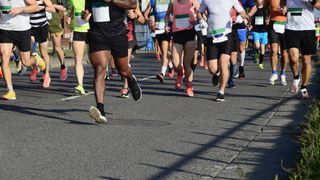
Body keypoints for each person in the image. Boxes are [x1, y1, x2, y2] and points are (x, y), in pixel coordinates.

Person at [83, 0, 142, 123]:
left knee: (123, 70)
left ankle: (130, 79)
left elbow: (132, 4)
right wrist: (86, 14)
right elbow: (88, 9)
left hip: (117, 33)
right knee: (100, 68)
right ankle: (100, 110)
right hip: (97, 33)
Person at [198, 0, 249, 101]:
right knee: (212, 68)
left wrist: (241, 17)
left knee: (224, 63)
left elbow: (243, 12)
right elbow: (199, 12)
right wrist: (201, 20)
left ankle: (221, 92)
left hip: (226, 36)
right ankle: (216, 74)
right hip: (212, 36)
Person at [0, 0, 46, 100]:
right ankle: (10, 90)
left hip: (22, 30)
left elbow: (35, 7)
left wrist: (21, 9)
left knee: (26, 62)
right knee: (4, 57)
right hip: (4, 29)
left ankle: (35, 59)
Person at [286, 0, 319, 99]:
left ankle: (304, 87)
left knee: (306, 60)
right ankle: (296, 77)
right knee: (293, 58)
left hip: (307, 28)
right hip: (291, 28)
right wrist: (283, 8)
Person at [165, 0, 199, 97]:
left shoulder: (193, 2)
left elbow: (201, 12)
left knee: (186, 63)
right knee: (176, 63)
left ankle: (189, 86)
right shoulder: (173, 3)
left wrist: (197, 20)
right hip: (177, 35)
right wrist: (167, 25)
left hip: (190, 34)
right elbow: (167, 15)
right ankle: (180, 74)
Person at [144, 0, 173, 83]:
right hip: (158, 30)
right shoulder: (153, 1)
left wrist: (173, 18)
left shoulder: (171, 1)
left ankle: (162, 73)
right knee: (164, 52)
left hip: (168, 29)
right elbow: (146, 14)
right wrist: (149, 20)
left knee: (164, 51)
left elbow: (177, 12)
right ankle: (170, 64)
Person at [29, 0, 55, 88]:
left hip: (42, 27)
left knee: (44, 53)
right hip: (30, 27)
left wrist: (43, 7)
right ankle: (36, 66)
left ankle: (47, 75)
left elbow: (53, 9)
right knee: (29, 50)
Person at [121, 5, 145, 98]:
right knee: (117, 64)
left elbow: (142, 20)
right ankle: (130, 79)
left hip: (129, 38)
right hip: (115, 36)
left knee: (125, 64)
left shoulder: (131, 3)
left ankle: (126, 88)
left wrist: (135, 16)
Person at [66, 0, 90, 95]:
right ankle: (80, 85)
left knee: (95, 58)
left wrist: (89, 16)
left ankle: (104, 71)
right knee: (78, 59)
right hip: (78, 29)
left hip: (91, 29)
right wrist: (70, 17)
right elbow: (74, 7)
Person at [231, 0, 256, 80]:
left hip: (240, 25)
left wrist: (246, 16)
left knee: (241, 47)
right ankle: (232, 69)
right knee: (230, 48)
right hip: (228, 25)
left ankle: (241, 67)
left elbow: (254, 7)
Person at [266, 0, 288, 85]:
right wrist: (267, 16)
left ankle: (283, 73)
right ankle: (274, 73)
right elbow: (262, 4)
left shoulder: (289, 1)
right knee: (274, 50)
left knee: (284, 53)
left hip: (285, 25)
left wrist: (286, 11)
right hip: (273, 24)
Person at [48, 0, 67, 81]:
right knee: (43, 50)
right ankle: (46, 73)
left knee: (57, 48)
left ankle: (63, 66)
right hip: (43, 22)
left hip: (54, 24)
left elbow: (63, 8)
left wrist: (52, 5)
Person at [249, 0, 269, 70]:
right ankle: (257, 53)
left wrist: (267, 21)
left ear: (263, 1)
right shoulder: (254, 9)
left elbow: (268, 17)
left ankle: (260, 62)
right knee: (257, 46)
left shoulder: (266, 9)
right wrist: (250, 25)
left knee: (262, 48)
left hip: (264, 31)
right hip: (256, 30)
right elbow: (251, 18)